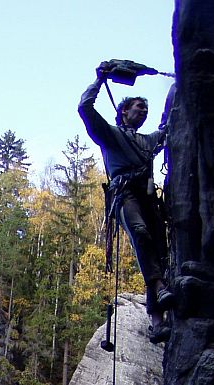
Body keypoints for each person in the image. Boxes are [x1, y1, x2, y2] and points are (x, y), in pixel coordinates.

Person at [79, 61, 174, 343]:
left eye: (145, 109)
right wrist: (99, 80)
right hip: (125, 196)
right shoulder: (110, 135)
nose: (142, 112)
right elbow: (85, 109)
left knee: (160, 250)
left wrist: (174, 93)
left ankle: (158, 322)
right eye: (138, 107)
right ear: (124, 112)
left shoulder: (147, 141)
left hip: (147, 198)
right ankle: (158, 287)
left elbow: (168, 127)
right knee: (141, 233)